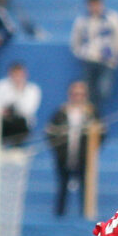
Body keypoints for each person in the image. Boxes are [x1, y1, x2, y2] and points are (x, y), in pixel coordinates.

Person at [46, 81, 103, 216]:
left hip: (84, 156)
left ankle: (86, 216)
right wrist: (58, 151)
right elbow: (50, 133)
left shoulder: (91, 112)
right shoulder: (60, 112)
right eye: (75, 94)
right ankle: (59, 217)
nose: (78, 97)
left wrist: (92, 150)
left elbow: (101, 133)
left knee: (85, 188)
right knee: (62, 187)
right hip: (64, 156)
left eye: (81, 94)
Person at [70, 0, 118, 112]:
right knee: (88, 93)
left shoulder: (112, 18)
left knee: (103, 90)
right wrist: (82, 54)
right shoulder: (82, 21)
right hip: (89, 61)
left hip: (106, 62)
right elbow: (75, 41)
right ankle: (93, 120)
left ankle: (96, 115)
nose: (95, 8)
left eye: (97, 4)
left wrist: (114, 57)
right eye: (92, 4)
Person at [0, 60, 41, 146]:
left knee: (19, 121)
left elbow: (29, 110)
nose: (18, 77)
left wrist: (18, 90)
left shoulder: (33, 89)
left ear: (25, 75)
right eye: (15, 74)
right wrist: (4, 111)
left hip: (21, 125)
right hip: (2, 121)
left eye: (20, 75)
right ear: (10, 74)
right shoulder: (0, 86)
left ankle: (17, 148)